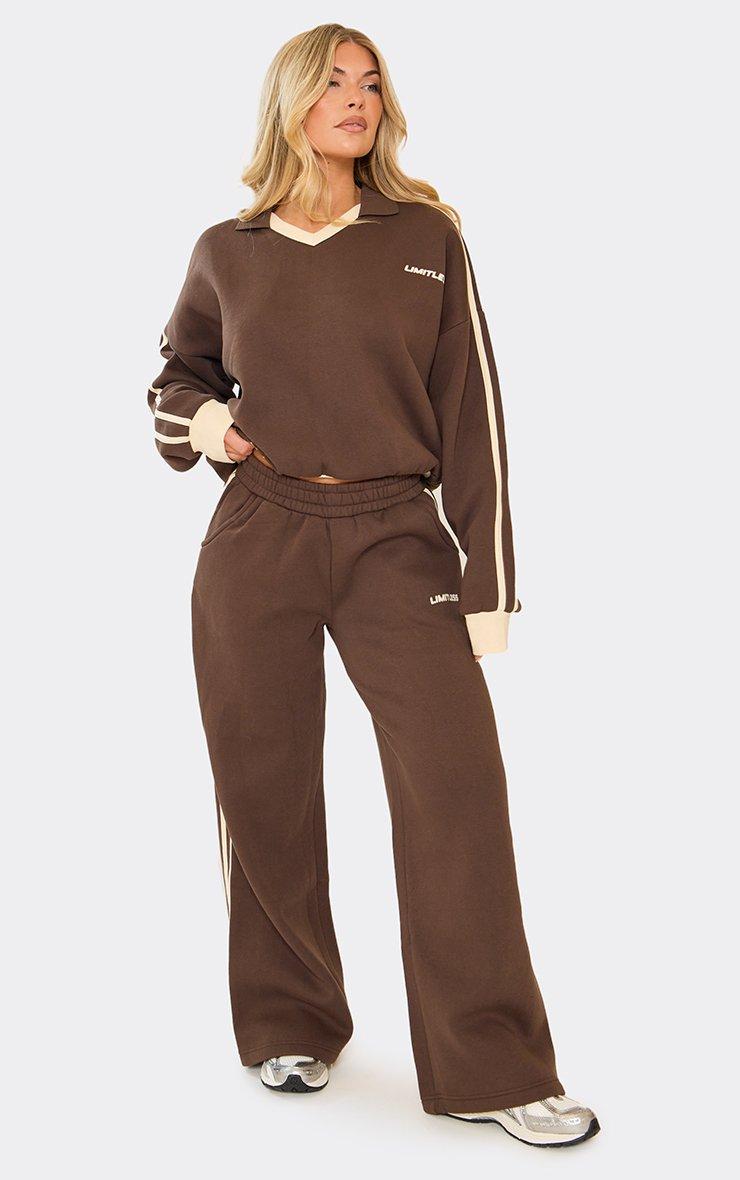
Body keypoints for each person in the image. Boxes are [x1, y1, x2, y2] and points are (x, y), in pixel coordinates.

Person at [147, 22, 600, 1149]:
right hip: (258, 532)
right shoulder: (227, 248)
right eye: (334, 83)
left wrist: (489, 583)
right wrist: (208, 425)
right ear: (292, 101)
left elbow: (473, 413)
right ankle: (288, 1023)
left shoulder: (425, 237)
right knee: (261, 784)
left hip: (397, 534)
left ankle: (493, 1064)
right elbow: (174, 376)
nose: (357, 99)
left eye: (371, 83)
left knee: (455, 788)